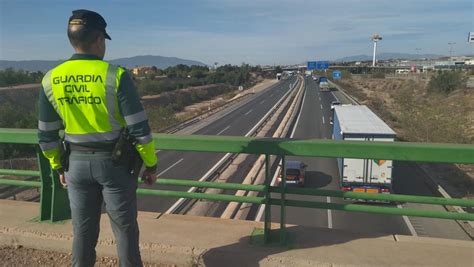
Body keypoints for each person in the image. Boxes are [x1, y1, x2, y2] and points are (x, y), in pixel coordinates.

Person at [37, 9, 158, 267]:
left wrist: (58, 165)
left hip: (76, 166)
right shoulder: (116, 76)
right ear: (100, 39)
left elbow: (46, 136)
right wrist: (151, 164)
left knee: (82, 233)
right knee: (125, 232)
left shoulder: (51, 79)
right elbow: (140, 130)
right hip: (116, 165)